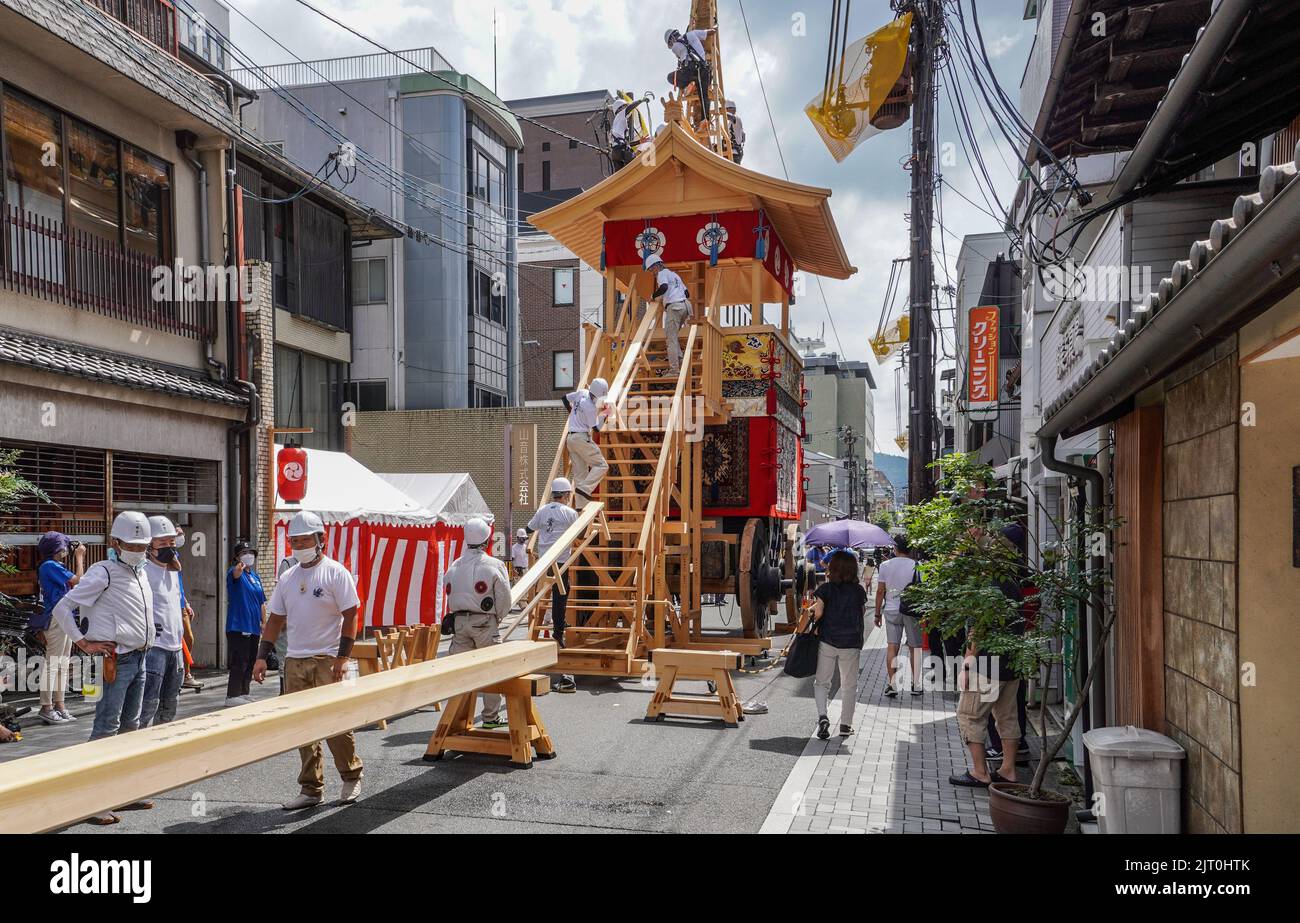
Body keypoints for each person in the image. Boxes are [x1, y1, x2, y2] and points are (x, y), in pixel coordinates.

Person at [50, 510, 156, 825]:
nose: (138, 551)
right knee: (106, 728)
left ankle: (122, 793)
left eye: (142, 546)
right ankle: (90, 801)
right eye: (132, 545)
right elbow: (62, 607)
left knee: (130, 728)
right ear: (115, 542)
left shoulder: (142, 572)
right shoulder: (104, 572)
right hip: (116, 660)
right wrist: (83, 642)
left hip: (140, 657)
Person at [254, 510, 364, 811]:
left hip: (327, 658)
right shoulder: (288, 577)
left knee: (335, 720)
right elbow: (275, 620)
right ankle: (311, 788)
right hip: (295, 661)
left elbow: (352, 614)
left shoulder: (335, 572)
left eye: (305, 539)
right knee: (302, 726)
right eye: (295, 540)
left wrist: (343, 657)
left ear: (321, 540)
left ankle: (351, 774)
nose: (300, 545)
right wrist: (262, 657)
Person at [443, 517, 513, 725]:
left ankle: (457, 717)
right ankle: (490, 717)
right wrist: (498, 617)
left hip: (459, 623)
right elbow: (505, 598)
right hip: (484, 622)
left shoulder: (455, 565)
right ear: (487, 539)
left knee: (461, 672)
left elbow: (448, 591)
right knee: (491, 669)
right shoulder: (494, 564)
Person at [527, 478, 580, 693]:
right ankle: (558, 629)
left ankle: (537, 621)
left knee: (541, 593)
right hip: (560, 559)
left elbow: (530, 528)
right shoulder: (569, 513)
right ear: (567, 494)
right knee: (561, 593)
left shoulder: (542, 511)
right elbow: (579, 533)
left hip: (543, 560)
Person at [809, 550, 868, 740]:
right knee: (849, 685)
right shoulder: (859, 591)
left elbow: (818, 614)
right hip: (851, 642)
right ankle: (845, 725)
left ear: (832, 568)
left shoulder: (825, 590)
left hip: (828, 639)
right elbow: (862, 611)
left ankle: (823, 717)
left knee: (822, 682)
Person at [35, 531, 85, 724]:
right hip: (56, 616)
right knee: (53, 662)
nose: (68, 549)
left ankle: (59, 705)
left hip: (64, 615)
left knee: (62, 663)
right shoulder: (49, 566)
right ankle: (46, 707)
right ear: (58, 548)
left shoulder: (55, 566)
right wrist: (80, 558)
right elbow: (78, 581)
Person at [140, 516, 185, 728]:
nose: (168, 547)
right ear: (149, 544)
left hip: (175, 648)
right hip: (154, 648)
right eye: (162, 542)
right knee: (147, 705)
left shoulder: (173, 570)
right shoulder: (143, 571)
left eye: (171, 542)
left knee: (170, 706)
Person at [875, 535, 922, 697]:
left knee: (892, 646)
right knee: (914, 647)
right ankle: (915, 684)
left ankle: (892, 684)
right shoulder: (917, 566)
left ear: (895, 548)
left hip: (891, 610)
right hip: (911, 611)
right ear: (910, 549)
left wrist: (876, 613)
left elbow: (880, 590)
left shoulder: (885, 565)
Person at [225, 540, 266, 707]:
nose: (248, 556)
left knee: (250, 660)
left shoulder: (255, 577)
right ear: (237, 557)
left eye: (250, 553)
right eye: (244, 553)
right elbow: (235, 575)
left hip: (254, 626)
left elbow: (262, 601)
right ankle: (232, 695)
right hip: (239, 625)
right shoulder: (235, 573)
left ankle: (244, 692)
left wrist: (264, 622)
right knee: (239, 660)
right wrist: (238, 569)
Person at [565, 377, 611, 508]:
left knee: (580, 475)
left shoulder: (581, 393)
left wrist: (572, 415)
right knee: (602, 465)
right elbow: (596, 429)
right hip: (581, 438)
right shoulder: (590, 407)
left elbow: (565, 398)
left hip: (570, 438)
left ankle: (580, 511)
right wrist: (606, 413)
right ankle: (585, 488)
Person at [646, 253, 693, 377]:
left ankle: (674, 370)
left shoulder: (662, 274)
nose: (652, 273)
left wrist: (653, 296)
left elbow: (664, 287)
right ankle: (682, 362)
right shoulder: (675, 275)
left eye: (651, 269)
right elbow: (687, 293)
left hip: (674, 307)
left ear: (657, 266)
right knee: (673, 337)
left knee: (670, 339)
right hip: (685, 307)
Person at [665, 27, 714, 123]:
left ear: (672, 39)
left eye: (670, 44)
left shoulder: (675, 47)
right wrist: (714, 28)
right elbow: (710, 32)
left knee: (670, 77)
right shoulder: (692, 33)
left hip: (690, 72)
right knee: (704, 97)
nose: (671, 46)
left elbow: (682, 59)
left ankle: (688, 85)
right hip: (704, 71)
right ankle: (705, 121)